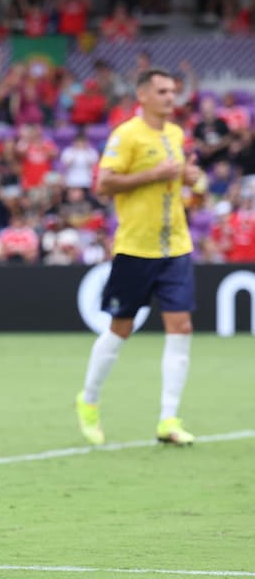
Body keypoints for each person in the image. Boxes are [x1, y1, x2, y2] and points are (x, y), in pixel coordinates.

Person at [75, 68, 205, 447]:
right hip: (135, 248)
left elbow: (176, 178)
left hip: (175, 246)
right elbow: (104, 183)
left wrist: (188, 177)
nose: (170, 97)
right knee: (121, 329)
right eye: (163, 91)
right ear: (143, 95)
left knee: (181, 327)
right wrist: (156, 173)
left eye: (173, 91)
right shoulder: (127, 134)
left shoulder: (175, 134)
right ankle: (89, 399)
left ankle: (169, 419)